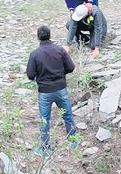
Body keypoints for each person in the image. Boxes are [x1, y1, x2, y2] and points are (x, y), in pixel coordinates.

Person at [26, 25, 77, 156]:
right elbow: (71, 67)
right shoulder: (60, 50)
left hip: (45, 92)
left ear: (38, 37)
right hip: (61, 88)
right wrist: (61, 73)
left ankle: (45, 148)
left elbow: (30, 75)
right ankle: (73, 142)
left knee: (45, 119)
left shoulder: (35, 54)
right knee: (68, 116)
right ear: (50, 35)